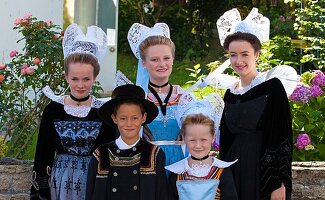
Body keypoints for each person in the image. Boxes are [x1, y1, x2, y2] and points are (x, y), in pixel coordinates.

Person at [30, 23, 116, 200]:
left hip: (94, 180)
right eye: (74, 78)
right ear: (66, 77)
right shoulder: (53, 110)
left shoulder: (103, 111)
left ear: (95, 77)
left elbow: (109, 153)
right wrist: (41, 191)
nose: (80, 85)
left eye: (86, 79)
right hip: (59, 182)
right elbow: (43, 154)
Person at [217, 8, 293, 199]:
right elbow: (226, 141)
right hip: (233, 172)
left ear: (256, 54)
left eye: (245, 54)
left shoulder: (271, 87)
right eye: (233, 55)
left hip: (263, 173)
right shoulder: (230, 93)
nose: (238, 60)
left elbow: (282, 136)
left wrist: (278, 182)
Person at [86, 84, 168, 200]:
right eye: (123, 118)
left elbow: (162, 194)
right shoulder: (101, 154)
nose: (129, 124)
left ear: (143, 118)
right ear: (114, 118)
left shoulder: (154, 154)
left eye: (134, 118)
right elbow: (90, 193)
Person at [127, 23, 186, 167]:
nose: (162, 64)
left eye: (166, 58)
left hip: (179, 165)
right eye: (154, 59)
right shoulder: (138, 100)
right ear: (144, 63)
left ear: (173, 59)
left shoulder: (185, 98)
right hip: (147, 165)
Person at [166, 97, 238, 200]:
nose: (198, 145)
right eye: (192, 140)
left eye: (203, 140)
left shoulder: (222, 171)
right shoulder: (177, 173)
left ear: (213, 137)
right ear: (184, 137)